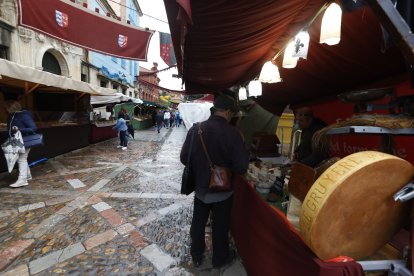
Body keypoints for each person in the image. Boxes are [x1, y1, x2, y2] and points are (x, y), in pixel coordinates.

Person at [180, 94, 249, 268]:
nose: (232, 116)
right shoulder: (234, 134)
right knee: (220, 226)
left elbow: (183, 158)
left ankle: (196, 256)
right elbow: (241, 167)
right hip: (223, 190)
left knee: (198, 222)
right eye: (232, 112)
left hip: (201, 188)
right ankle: (219, 259)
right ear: (227, 111)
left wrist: (201, 169)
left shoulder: (196, 129)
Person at [5, 100, 38, 188]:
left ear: (11, 108)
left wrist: (19, 129)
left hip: (25, 140)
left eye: (7, 108)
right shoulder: (12, 116)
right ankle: (27, 175)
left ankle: (22, 180)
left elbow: (33, 128)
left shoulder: (23, 115)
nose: (6, 109)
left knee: (21, 159)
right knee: (22, 158)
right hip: (17, 141)